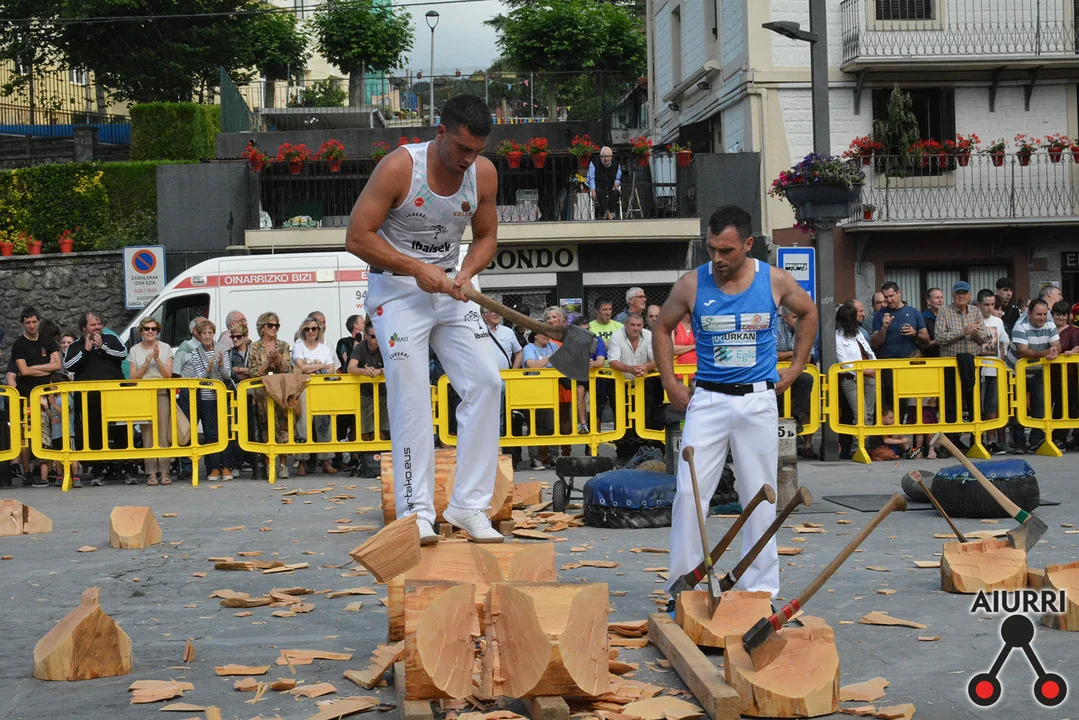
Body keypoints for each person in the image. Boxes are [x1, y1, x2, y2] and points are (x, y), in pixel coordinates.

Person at [345, 94, 503, 545]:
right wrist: (416, 268)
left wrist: (466, 272)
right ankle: (416, 512)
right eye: (462, 149)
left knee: (487, 382)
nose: (468, 160)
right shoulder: (400, 168)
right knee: (411, 393)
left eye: (477, 151)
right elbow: (357, 236)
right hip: (397, 292)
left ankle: (469, 505)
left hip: (451, 287)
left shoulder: (483, 173)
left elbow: (486, 236)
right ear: (441, 132)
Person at [654, 205, 817, 609]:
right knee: (689, 494)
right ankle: (684, 588)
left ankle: (759, 590)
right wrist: (670, 381)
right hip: (708, 400)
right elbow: (662, 327)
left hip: (758, 401)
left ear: (748, 244)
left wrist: (797, 366)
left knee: (760, 496)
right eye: (711, 249)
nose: (718, 258)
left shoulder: (775, 280)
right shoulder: (692, 284)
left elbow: (809, 312)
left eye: (726, 250)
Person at [63, 311, 128, 485]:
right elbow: (68, 365)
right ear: (84, 327)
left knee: (121, 430)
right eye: (93, 325)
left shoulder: (111, 339)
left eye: (99, 324)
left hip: (114, 394)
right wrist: (86, 351)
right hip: (89, 397)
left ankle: (126, 469)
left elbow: (123, 353)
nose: (97, 327)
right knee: (94, 432)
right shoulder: (75, 346)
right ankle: (97, 471)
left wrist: (102, 348)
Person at [934, 281, 990, 453]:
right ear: (953, 295)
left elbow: (985, 338)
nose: (962, 296)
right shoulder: (944, 311)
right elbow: (939, 338)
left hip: (971, 364)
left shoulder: (975, 311)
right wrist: (963, 331)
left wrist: (976, 332)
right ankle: (949, 445)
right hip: (950, 365)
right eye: (958, 293)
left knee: (974, 403)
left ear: (970, 295)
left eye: (965, 293)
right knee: (950, 405)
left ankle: (977, 441)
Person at [12, 308, 62, 487]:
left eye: (34, 322)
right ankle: (27, 472)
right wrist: (45, 367)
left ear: (38, 321)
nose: (31, 326)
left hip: (47, 393)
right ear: (23, 324)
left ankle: (50, 469)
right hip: (27, 395)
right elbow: (23, 371)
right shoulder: (19, 344)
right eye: (28, 323)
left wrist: (33, 368)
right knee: (26, 433)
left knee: (51, 430)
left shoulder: (48, 341)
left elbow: (57, 365)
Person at [1006, 298, 1061, 453]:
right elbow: (1023, 351)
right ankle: (1019, 442)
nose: (1042, 318)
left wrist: (1055, 350)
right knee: (1017, 406)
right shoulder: (1020, 326)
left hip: (1037, 370)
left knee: (1041, 404)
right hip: (1016, 371)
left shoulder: (1050, 323)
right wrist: (1046, 352)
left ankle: (1037, 440)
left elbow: (1057, 344)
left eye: (1044, 314)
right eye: (1038, 314)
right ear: (1029, 313)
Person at [870, 281, 929, 417]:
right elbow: (874, 344)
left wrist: (915, 333)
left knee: (911, 400)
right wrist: (884, 328)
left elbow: (926, 339)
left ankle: (906, 426)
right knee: (892, 399)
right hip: (888, 363)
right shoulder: (880, 315)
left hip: (910, 362)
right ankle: (894, 427)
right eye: (886, 297)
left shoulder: (913, 312)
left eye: (891, 296)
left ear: (899, 293)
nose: (889, 300)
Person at [128, 317, 174, 486]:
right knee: (147, 433)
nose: (150, 331)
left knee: (163, 433)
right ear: (141, 331)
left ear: (157, 331)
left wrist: (157, 359)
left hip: (161, 392)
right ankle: (151, 473)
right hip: (143, 394)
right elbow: (133, 378)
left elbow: (168, 375)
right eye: (146, 328)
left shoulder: (165, 348)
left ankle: (165, 472)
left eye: (153, 329)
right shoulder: (134, 350)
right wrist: (146, 363)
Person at [247, 311, 294, 479]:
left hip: (281, 392)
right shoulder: (254, 347)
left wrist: (278, 358)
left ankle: (283, 465)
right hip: (262, 394)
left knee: (283, 427)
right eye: (270, 325)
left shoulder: (283, 346)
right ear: (262, 327)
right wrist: (267, 362)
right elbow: (253, 372)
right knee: (266, 428)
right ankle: (269, 464)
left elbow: (287, 369)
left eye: (276, 325)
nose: (274, 328)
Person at [292, 315, 338, 476]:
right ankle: (301, 461)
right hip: (303, 388)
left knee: (324, 424)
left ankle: (326, 460)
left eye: (314, 328)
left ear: (319, 330)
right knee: (302, 424)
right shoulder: (298, 346)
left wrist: (312, 367)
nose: (311, 332)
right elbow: (301, 367)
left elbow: (331, 369)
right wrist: (321, 366)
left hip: (322, 388)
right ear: (303, 331)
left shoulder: (324, 348)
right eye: (307, 329)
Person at [187, 319, 232, 481]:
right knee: (210, 432)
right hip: (207, 397)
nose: (207, 336)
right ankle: (213, 467)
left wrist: (220, 364)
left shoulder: (223, 349)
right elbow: (199, 377)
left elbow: (227, 375)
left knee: (225, 431)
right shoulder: (196, 352)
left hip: (222, 396)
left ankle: (226, 466)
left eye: (210, 333)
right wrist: (208, 368)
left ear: (213, 334)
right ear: (199, 335)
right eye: (204, 333)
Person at [835, 301, 877, 460]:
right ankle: (855, 448)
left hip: (869, 376)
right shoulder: (837, 337)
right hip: (851, 379)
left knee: (869, 414)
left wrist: (873, 367)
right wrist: (864, 370)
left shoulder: (859, 333)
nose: (861, 317)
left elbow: (870, 352)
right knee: (860, 414)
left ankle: (865, 446)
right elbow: (843, 362)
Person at [976, 290, 1009, 455]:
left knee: (992, 406)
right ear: (979, 305)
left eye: (992, 305)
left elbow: (1003, 343)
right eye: (986, 304)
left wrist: (1001, 363)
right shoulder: (973, 319)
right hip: (977, 368)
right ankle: (977, 439)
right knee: (976, 406)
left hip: (994, 368)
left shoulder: (998, 322)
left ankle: (991, 440)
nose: (989, 308)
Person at [347, 319, 389, 445]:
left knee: (384, 428)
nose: (377, 339)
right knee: (364, 429)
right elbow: (350, 368)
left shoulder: (386, 345)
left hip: (383, 393)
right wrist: (364, 371)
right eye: (373, 336)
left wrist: (380, 371)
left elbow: (395, 365)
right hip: (365, 393)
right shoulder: (360, 348)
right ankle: (365, 454)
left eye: (379, 336)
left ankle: (382, 452)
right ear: (366, 336)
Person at [522, 329, 559, 469]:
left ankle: (554, 455)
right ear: (535, 335)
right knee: (534, 424)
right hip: (533, 391)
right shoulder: (529, 348)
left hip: (551, 389)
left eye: (549, 333)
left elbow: (561, 363)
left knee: (551, 423)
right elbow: (532, 365)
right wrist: (551, 358)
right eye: (544, 333)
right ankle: (535, 458)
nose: (547, 336)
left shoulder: (553, 346)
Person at [1049, 300, 1079, 450]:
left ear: (1068, 316)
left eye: (1064, 315)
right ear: (1053, 315)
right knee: (1050, 408)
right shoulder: (1048, 329)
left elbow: (1077, 345)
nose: (1061, 317)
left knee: (1067, 407)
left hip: (1069, 376)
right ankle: (1050, 437)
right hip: (1049, 376)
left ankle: (1062, 438)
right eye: (1058, 314)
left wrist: (1071, 352)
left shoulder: (1073, 331)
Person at [571, 315, 606, 433]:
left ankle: (596, 429)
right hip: (579, 375)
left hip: (595, 376)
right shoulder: (571, 342)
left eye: (588, 329)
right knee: (579, 391)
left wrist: (593, 363)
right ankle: (583, 424)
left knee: (598, 404)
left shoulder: (597, 340)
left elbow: (601, 361)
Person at [226, 321, 252, 478]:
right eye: (232, 337)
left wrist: (241, 369)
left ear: (245, 336)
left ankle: (250, 459)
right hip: (236, 394)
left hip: (252, 394)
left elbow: (258, 370)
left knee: (252, 427)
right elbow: (230, 373)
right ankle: (236, 463)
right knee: (235, 428)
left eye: (238, 337)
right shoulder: (230, 354)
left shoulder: (253, 350)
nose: (235, 339)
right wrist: (246, 372)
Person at [587, 146, 622, 219]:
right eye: (603, 157)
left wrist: (616, 183)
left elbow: (618, 178)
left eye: (607, 156)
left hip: (610, 187)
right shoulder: (594, 162)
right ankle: (609, 214)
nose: (605, 159)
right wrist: (593, 190)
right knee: (601, 194)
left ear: (611, 157)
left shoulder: (616, 164)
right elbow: (591, 178)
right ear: (600, 157)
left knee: (616, 193)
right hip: (598, 187)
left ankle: (609, 212)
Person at [922, 287, 944, 357]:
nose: (940, 300)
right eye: (937, 298)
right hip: (931, 357)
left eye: (941, 297)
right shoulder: (923, 319)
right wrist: (943, 339)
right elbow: (923, 345)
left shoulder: (948, 317)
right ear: (928, 301)